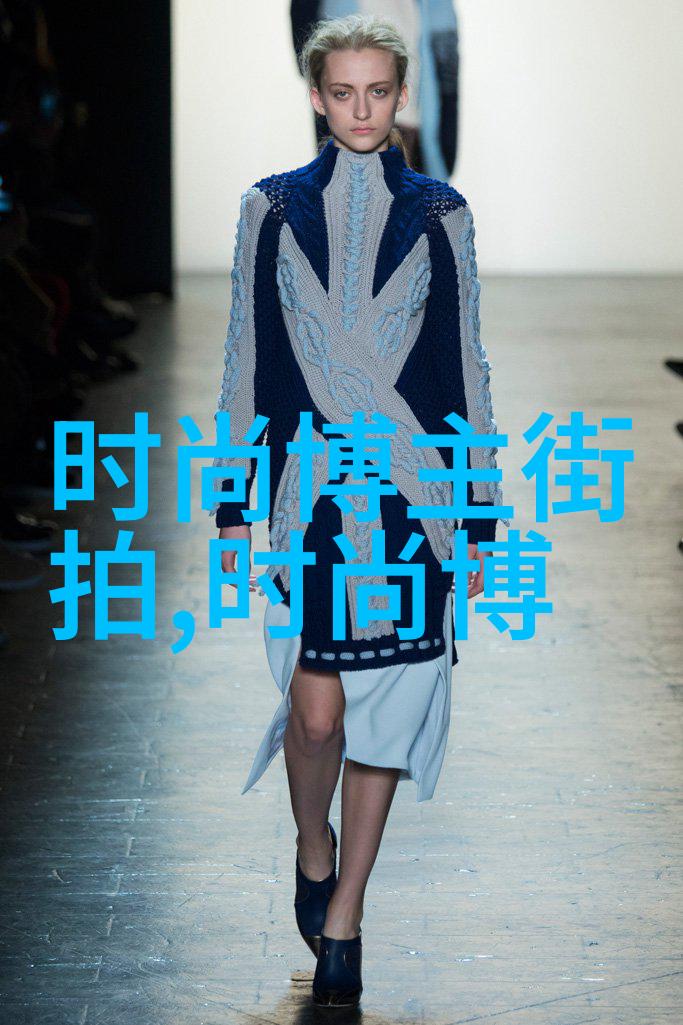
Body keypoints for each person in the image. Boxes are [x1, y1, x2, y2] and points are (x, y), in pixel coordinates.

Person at [211, 13, 508, 1009]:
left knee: (384, 711)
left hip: (411, 494)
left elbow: (461, 364)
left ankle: (344, 914)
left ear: (398, 93)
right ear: (316, 95)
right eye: (342, 92)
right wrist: (230, 499)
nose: (361, 109)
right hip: (308, 493)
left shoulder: (441, 213)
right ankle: (313, 842)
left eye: (377, 91)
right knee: (315, 712)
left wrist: (477, 512)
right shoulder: (269, 208)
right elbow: (250, 357)